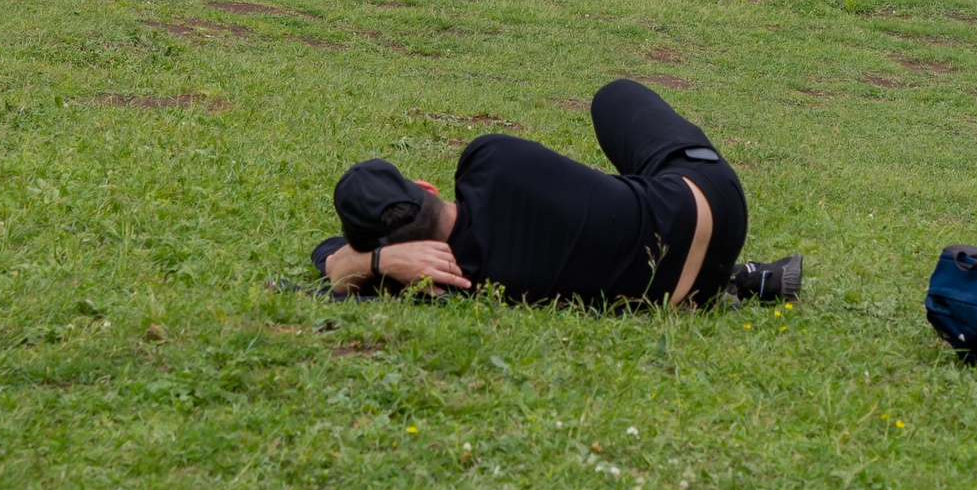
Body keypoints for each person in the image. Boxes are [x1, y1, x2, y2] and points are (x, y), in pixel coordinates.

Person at [311, 79, 783, 308]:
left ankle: (732, 280)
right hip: (709, 203)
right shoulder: (487, 161)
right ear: (425, 188)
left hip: (682, 294)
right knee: (615, 98)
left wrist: (377, 266)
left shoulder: (450, 287)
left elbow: (327, 257)